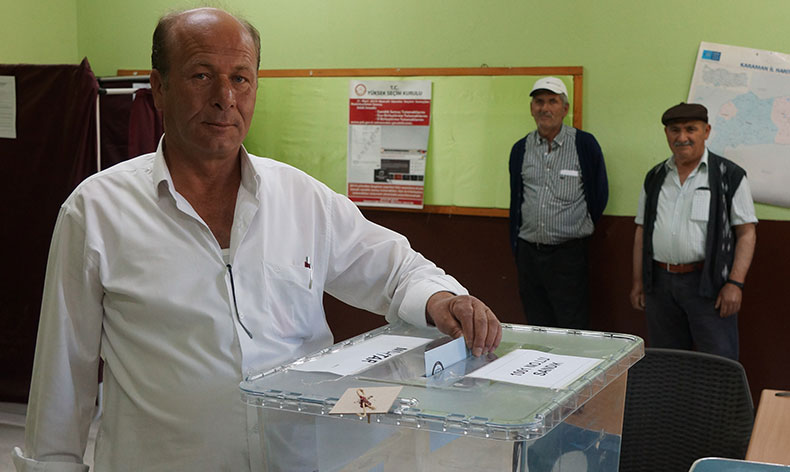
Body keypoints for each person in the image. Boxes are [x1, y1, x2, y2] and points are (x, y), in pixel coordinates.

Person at [13, 8, 501, 472]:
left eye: (241, 78)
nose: (225, 97)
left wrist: (442, 299)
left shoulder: (301, 198)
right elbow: (62, 375)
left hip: (296, 461)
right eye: (201, 75)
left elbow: (399, 271)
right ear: (159, 88)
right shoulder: (96, 211)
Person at [630, 102, 757, 361]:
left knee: (719, 362)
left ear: (706, 131)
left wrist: (735, 284)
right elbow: (642, 231)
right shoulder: (655, 176)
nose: (682, 137)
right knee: (667, 360)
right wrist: (638, 282)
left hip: (708, 284)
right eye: (675, 130)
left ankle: (718, 393)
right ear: (666, 134)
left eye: (691, 129)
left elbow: (746, 233)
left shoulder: (729, 175)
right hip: (660, 285)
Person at [508, 77, 608, 330]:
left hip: (568, 255)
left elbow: (598, 195)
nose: (545, 108)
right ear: (531, 108)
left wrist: (575, 225)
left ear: (565, 108)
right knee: (536, 324)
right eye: (539, 101)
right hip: (529, 254)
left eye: (552, 101)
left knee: (572, 325)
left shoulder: (584, 145)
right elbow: (517, 197)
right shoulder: (520, 149)